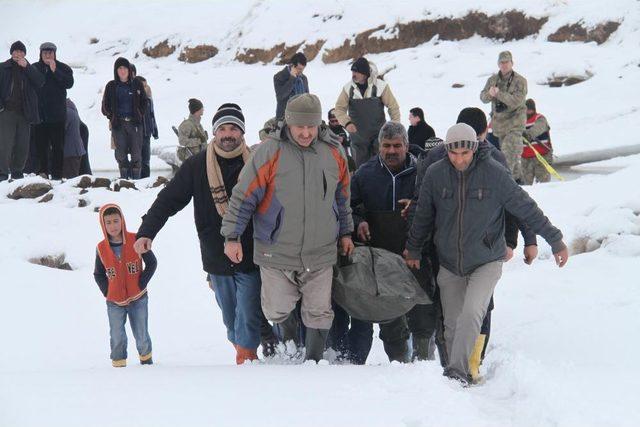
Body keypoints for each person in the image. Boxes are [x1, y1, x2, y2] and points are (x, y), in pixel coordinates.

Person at [405, 123, 569, 386]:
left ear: (474, 150)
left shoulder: (493, 173)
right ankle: (454, 375)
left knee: (472, 313)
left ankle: (456, 372)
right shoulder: (435, 175)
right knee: (451, 324)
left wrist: (555, 240)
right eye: (453, 153)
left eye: (465, 154)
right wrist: (413, 247)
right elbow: (423, 214)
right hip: (449, 260)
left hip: (486, 259)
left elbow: (524, 207)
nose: (459, 159)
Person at [135, 104, 275, 364]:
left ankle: (248, 359)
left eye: (234, 128)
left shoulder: (257, 163)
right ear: (214, 132)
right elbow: (169, 200)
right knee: (230, 317)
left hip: (252, 252)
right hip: (215, 254)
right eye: (223, 128)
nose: (228, 134)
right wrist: (147, 231)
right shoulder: (197, 165)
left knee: (248, 310)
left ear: (242, 132)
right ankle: (247, 352)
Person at [221, 94, 355, 362]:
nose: (306, 133)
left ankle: (314, 361)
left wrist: (346, 232)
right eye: (299, 127)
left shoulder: (333, 151)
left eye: (311, 127)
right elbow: (244, 196)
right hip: (276, 250)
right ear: (289, 124)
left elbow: (342, 197)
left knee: (319, 311)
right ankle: (290, 351)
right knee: (277, 308)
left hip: (320, 250)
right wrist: (232, 236)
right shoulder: (269, 152)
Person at [331, 121, 437, 364]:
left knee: (423, 315)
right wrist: (359, 221)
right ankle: (399, 365)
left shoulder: (423, 172)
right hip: (383, 261)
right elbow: (349, 207)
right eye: (386, 146)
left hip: (418, 256)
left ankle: (424, 366)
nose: (391, 151)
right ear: (379, 146)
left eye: (397, 146)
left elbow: (436, 206)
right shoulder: (365, 175)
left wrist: (416, 207)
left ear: (407, 146)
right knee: (391, 320)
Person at [94, 204, 157, 367]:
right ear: (103, 225)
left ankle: (147, 362)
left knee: (141, 333)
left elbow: (152, 263)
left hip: (138, 298)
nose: (113, 226)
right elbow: (98, 274)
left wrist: (141, 282)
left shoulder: (136, 239)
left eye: (116, 221)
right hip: (114, 301)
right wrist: (107, 291)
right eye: (108, 222)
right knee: (117, 335)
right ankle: (119, 365)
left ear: (122, 220)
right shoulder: (101, 248)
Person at [334, 57, 400, 168]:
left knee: (381, 167)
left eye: (356, 72)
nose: (353, 74)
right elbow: (339, 109)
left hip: (379, 136)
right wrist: (347, 123)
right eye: (352, 71)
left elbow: (393, 107)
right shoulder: (347, 89)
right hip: (358, 138)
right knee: (360, 169)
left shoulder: (381, 86)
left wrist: (394, 127)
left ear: (364, 74)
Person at [0, 41, 44, 181]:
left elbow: (40, 82)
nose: (18, 54)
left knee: (22, 144)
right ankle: (2, 172)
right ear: (11, 52)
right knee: (5, 144)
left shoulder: (29, 68)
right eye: (15, 51)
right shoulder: (3, 67)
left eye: (21, 51)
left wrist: (27, 68)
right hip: (7, 111)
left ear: (24, 54)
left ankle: (17, 171)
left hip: (25, 112)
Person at [480, 51, 527, 182]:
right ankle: (519, 183)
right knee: (505, 159)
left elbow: (516, 101)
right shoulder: (493, 80)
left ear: (512, 63)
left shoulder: (520, 81)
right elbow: (483, 98)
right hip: (498, 126)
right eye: (502, 62)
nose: (504, 65)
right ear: (498, 64)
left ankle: (505, 186)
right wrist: (490, 94)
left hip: (514, 124)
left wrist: (499, 94)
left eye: (507, 62)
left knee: (508, 155)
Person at [101, 57, 147, 179]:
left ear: (129, 70)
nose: (122, 71)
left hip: (135, 124)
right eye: (120, 68)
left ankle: (136, 181)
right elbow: (104, 106)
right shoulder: (111, 86)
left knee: (136, 154)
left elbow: (144, 102)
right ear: (116, 70)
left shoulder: (137, 84)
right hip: (118, 125)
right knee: (120, 155)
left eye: (125, 68)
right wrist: (112, 116)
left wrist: (139, 113)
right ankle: (124, 180)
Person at [33, 42, 74, 180]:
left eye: (50, 53)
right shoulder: (35, 68)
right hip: (40, 115)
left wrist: (55, 70)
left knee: (58, 147)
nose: (48, 55)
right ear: (41, 54)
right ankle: (42, 172)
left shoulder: (63, 68)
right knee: (40, 147)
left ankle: (57, 175)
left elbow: (69, 83)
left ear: (55, 54)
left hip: (57, 116)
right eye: (45, 53)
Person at [522, 98, 553, 185]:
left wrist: (528, 134)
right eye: (527, 110)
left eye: (530, 109)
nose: (528, 112)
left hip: (542, 158)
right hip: (525, 159)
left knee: (544, 186)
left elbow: (537, 129)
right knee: (525, 187)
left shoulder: (540, 119)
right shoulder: (520, 122)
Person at [273, 52, 309, 120]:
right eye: (299, 69)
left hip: (301, 117)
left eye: (303, 69)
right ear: (292, 65)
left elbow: (307, 97)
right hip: (284, 118)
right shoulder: (279, 77)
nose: (301, 71)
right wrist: (292, 79)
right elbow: (281, 96)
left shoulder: (303, 78)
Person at [136, 76, 158, 178]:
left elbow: (152, 116)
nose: (145, 88)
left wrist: (155, 131)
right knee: (137, 159)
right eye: (142, 86)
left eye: (146, 86)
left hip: (147, 134)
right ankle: (136, 181)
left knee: (146, 159)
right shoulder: (134, 100)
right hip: (136, 134)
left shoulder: (149, 100)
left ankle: (146, 180)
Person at [177, 98, 208, 162]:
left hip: (201, 158)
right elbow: (182, 141)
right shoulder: (186, 125)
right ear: (197, 110)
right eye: (202, 108)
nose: (203, 109)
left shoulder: (198, 124)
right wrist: (198, 141)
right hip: (191, 160)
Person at [62, 99, 86, 178]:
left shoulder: (66, 112)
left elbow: (60, 130)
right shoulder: (72, 110)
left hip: (69, 152)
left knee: (70, 181)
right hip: (76, 151)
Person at [327, 108, 355, 173]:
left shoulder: (346, 129)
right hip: (331, 159)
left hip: (346, 159)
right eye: (332, 121)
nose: (335, 123)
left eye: (336, 121)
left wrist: (344, 141)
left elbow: (355, 142)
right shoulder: (326, 131)